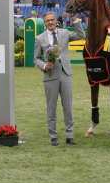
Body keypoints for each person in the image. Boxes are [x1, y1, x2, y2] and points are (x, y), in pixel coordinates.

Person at [34, 12, 85, 146]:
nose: (50, 22)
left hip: (66, 74)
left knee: (68, 106)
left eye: (52, 20)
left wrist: (75, 20)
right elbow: (36, 58)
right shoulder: (40, 38)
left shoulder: (65, 33)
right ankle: (53, 137)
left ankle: (70, 136)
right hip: (50, 76)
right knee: (51, 108)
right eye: (47, 21)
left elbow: (81, 35)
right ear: (44, 23)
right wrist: (44, 65)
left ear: (56, 21)